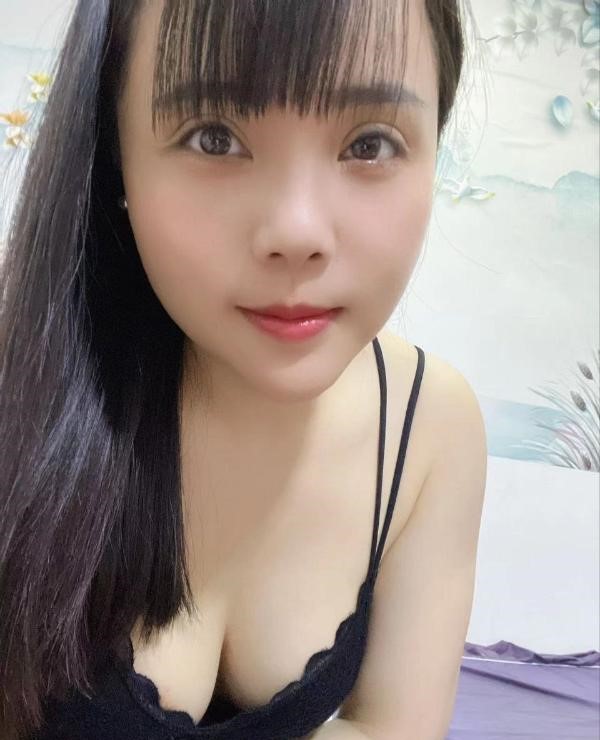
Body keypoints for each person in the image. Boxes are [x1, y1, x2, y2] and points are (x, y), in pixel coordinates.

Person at [0, 1, 487, 738]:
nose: (297, 231)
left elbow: (389, 727)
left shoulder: (430, 429)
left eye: (370, 143)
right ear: (116, 153)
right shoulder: (23, 392)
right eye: (215, 137)